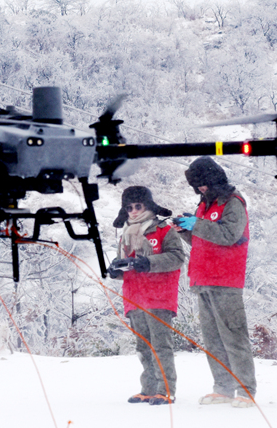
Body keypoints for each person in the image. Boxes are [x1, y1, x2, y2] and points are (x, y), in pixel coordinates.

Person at [173, 156, 257, 408]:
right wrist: (186, 231)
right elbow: (203, 240)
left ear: (214, 178)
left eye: (203, 183)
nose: (200, 189)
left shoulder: (234, 202)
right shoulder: (204, 206)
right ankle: (222, 388)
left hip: (226, 278)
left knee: (233, 336)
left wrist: (197, 224)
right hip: (202, 278)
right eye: (196, 185)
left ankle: (246, 390)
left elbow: (230, 235)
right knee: (212, 339)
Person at [108, 186, 186, 406]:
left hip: (159, 296)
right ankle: (148, 389)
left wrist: (148, 263)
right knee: (143, 346)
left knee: (161, 345)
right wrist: (115, 271)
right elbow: (126, 265)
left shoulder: (163, 230)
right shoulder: (125, 233)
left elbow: (177, 258)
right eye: (129, 207)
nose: (133, 211)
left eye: (138, 206)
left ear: (148, 206)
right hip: (134, 297)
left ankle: (166, 390)